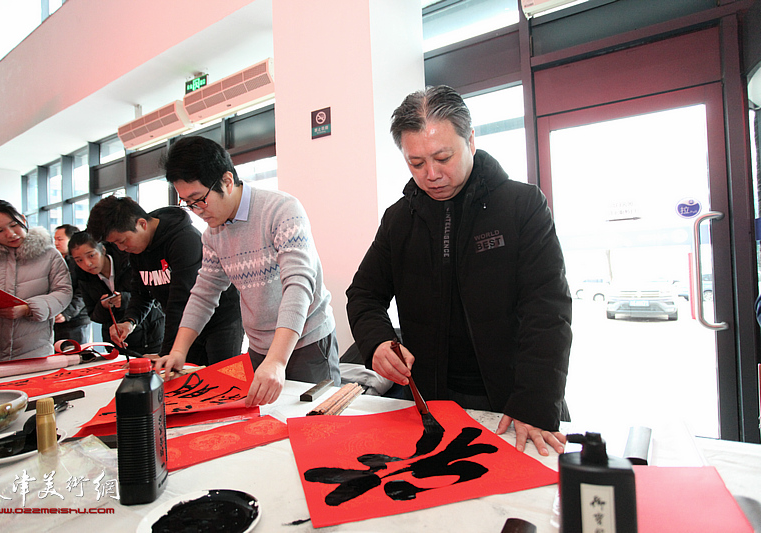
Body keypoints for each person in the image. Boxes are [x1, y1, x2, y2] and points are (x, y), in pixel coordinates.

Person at [346, 86, 573, 456]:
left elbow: (548, 312)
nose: (432, 174)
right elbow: (364, 295)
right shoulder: (399, 220)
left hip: (514, 399)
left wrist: (534, 403)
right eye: (416, 163)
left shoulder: (522, 206)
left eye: (443, 157)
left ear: (470, 139)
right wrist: (377, 341)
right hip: (430, 399)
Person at [153, 136, 340, 406]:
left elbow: (298, 285)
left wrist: (277, 360)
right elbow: (204, 293)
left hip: (306, 344)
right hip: (259, 348)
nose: (196, 212)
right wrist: (179, 350)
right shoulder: (213, 234)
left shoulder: (282, 210)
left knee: (316, 424)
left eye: (198, 200)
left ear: (227, 182)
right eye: (187, 203)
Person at [86, 195, 243, 366]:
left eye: (122, 241)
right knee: (187, 380)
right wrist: (129, 321)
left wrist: (166, 352)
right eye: (115, 244)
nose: (122, 248)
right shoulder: (137, 251)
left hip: (220, 320)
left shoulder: (184, 239)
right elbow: (142, 293)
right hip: (184, 325)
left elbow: (181, 300)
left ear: (142, 224)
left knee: (221, 378)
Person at [0, 200, 72, 366]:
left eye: (14, 225)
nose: (10, 234)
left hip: (33, 352)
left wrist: (29, 309)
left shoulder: (49, 254)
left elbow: (64, 292)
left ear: (23, 220)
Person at [68, 231, 165, 354]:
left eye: (91, 255)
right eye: (79, 260)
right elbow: (93, 315)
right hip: (115, 344)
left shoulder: (130, 262)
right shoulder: (84, 278)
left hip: (150, 336)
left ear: (102, 250)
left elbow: (152, 297)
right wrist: (103, 306)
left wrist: (124, 299)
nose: (87, 263)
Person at [53, 224, 91, 343]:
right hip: (58, 320)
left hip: (76, 320)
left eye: (60, 239)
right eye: (54, 239)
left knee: (76, 356)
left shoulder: (80, 263)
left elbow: (83, 292)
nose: (56, 243)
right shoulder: (57, 262)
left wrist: (67, 313)